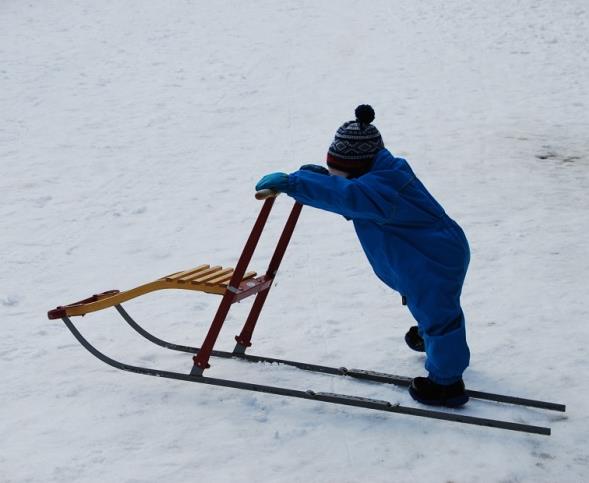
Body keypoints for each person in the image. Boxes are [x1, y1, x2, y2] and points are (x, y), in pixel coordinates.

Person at [255, 105, 471, 407]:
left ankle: (447, 384)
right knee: (431, 306)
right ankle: (429, 337)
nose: (334, 175)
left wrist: (296, 183)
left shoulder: (376, 191)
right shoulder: (387, 171)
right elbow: (347, 188)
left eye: (336, 171)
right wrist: (320, 177)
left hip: (430, 257)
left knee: (439, 315)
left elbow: (345, 196)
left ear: (357, 169)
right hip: (430, 250)